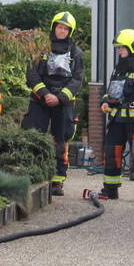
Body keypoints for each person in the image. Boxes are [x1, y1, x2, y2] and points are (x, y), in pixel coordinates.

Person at [22, 11, 84, 196]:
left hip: (63, 102)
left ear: (70, 32)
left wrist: (60, 97)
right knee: (32, 134)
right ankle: (32, 175)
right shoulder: (41, 48)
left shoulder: (76, 53)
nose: (62, 31)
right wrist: (45, 93)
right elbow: (31, 73)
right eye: (59, 27)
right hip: (40, 100)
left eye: (65, 28)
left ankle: (58, 181)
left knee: (61, 139)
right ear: (53, 27)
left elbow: (77, 79)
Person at [100, 28, 134, 201]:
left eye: (122, 47)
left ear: (133, 47)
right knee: (112, 152)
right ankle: (110, 188)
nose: (119, 51)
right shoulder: (119, 68)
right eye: (119, 48)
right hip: (117, 117)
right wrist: (105, 102)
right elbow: (112, 90)